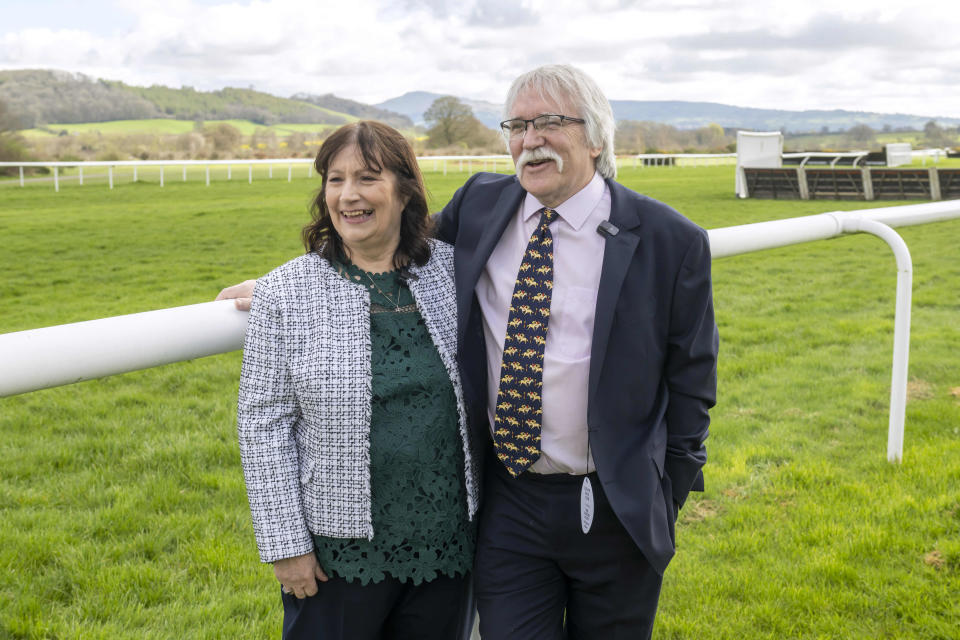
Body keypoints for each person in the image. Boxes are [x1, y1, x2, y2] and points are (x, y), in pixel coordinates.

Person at [222, 64, 718, 640]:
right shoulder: (484, 205)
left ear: (597, 136)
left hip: (616, 506)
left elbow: (692, 385)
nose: (530, 140)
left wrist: (665, 491)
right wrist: (301, 282)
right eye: (518, 125)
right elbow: (393, 242)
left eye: (551, 122)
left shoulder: (670, 240)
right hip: (510, 504)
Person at [236, 120, 479, 640]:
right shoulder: (286, 292)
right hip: (334, 553)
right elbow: (263, 424)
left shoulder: (453, 273)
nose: (348, 195)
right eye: (334, 179)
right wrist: (286, 544)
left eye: (368, 178)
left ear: (404, 189)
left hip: (447, 540)